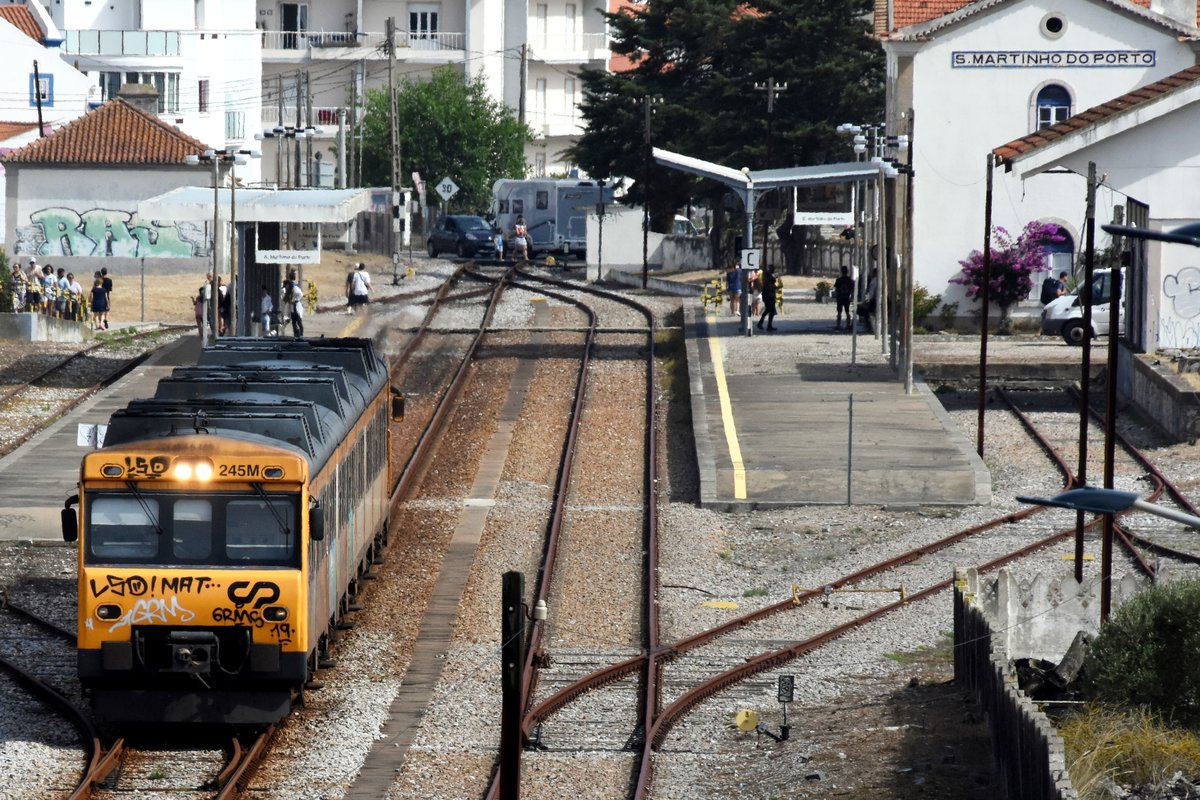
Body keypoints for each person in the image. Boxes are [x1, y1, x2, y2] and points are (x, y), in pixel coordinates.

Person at [756, 265, 778, 331]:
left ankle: (763, 323)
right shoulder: (768, 276)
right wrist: (774, 287)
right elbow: (769, 286)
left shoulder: (767, 276)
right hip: (769, 296)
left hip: (768, 295)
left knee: (769, 310)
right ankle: (767, 325)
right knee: (771, 310)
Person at [834, 266, 855, 331]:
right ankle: (848, 325)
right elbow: (853, 290)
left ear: (841, 271)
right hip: (847, 298)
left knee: (839, 312)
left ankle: (838, 325)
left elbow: (836, 289)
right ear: (847, 271)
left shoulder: (838, 280)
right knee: (847, 312)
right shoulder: (850, 280)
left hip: (840, 298)